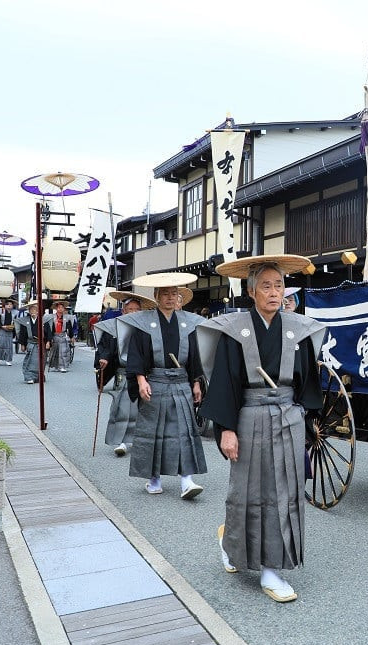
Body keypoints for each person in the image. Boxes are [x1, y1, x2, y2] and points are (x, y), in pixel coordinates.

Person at [199, 254, 325, 603]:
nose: (273, 293)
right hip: (250, 415)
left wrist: (309, 423)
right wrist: (226, 429)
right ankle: (232, 544)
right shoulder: (234, 331)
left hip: (288, 416)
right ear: (251, 292)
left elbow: (308, 383)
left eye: (279, 285)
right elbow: (224, 381)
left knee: (284, 493)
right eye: (266, 286)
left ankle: (272, 568)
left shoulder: (297, 329)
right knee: (247, 492)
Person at [118, 273, 207, 499]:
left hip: (181, 381)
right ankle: (153, 478)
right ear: (157, 296)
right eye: (165, 293)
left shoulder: (189, 323)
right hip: (154, 381)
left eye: (174, 294)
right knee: (153, 431)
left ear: (179, 298)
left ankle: (187, 479)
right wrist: (140, 380)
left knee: (184, 431)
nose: (170, 298)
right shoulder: (143, 323)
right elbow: (136, 355)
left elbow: (195, 356)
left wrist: (196, 382)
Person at [94, 292, 155, 456]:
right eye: (130, 309)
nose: (133, 312)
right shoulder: (114, 327)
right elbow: (104, 347)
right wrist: (104, 358)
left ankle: (142, 440)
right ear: (123, 311)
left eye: (137, 309)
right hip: (123, 371)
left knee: (145, 409)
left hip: (144, 373)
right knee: (122, 408)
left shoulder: (147, 326)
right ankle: (121, 441)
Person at [16, 301, 52, 384]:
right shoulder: (25, 321)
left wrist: (48, 342)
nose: (32, 311)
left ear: (38, 311)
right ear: (29, 311)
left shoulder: (44, 320)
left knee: (41, 361)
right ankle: (30, 377)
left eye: (34, 310)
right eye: (31, 310)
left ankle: (39, 376)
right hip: (31, 343)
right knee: (30, 361)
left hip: (41, 344)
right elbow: (23, 333)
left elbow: (48, 332)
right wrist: (22, 344)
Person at [48, 301, 77, 372]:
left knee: (63, 351)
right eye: (59, 307)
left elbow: (70, 328)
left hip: (63, 335)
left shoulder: (67, 317)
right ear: (56, 308)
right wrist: (49, 338)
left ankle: (62, 366)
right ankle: (56, 366)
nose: (60, 309)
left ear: (64, 309)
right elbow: (49, 328)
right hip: (55, 336)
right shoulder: (52, 317)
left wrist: (72, 337)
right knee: (55, 352)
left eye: (62, 308)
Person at [0, 300, 17, 366]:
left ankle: (8, 360)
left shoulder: (14, 313)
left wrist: (13, 327)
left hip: (10, 331)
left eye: (10, 304)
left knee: (9, 346)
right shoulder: (0, 312)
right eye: (7, 304)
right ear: (4, 305)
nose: (9, 305)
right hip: (1, 330)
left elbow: (16, 322)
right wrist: (2, 326)